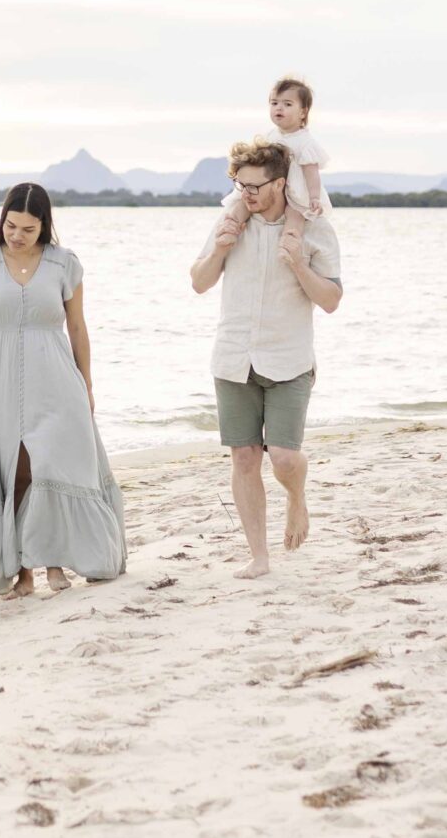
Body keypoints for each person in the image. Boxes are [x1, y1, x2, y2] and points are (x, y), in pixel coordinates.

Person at [0, 183, 126, 601]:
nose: (17, 235)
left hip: (56, 377)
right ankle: (24, 573)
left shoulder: (63, 264)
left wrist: (86, 383)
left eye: (28, 229)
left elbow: (77, 328)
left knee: (51, 464)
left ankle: (54, 560)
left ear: (44, 226)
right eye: (11, 225)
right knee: (16, 472)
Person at [189, 139, 344, 579]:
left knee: (284, 458)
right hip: (233, 357)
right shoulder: (229, 221)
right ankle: (259, 555)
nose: (247, 195)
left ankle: (297, 498)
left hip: (289, 359)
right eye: (240, 185)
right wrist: (219, 249)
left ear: (280, 183)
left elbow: (331, 299)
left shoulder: (312, 230)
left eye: (255, 187)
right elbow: (199, 282)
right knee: (243, 458)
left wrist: (297, 264)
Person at [219, 75, 336, 270]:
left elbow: (312, 173)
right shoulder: (270, 136)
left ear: (303, 112)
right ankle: (230, 228)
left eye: (287, 104)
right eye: (274, 103)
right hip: (269, 188)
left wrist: (314, 197)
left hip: (294, 191)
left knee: (295, 215)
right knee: (242, 203)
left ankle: (288, 246)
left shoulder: (305, 142)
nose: (279, 108)